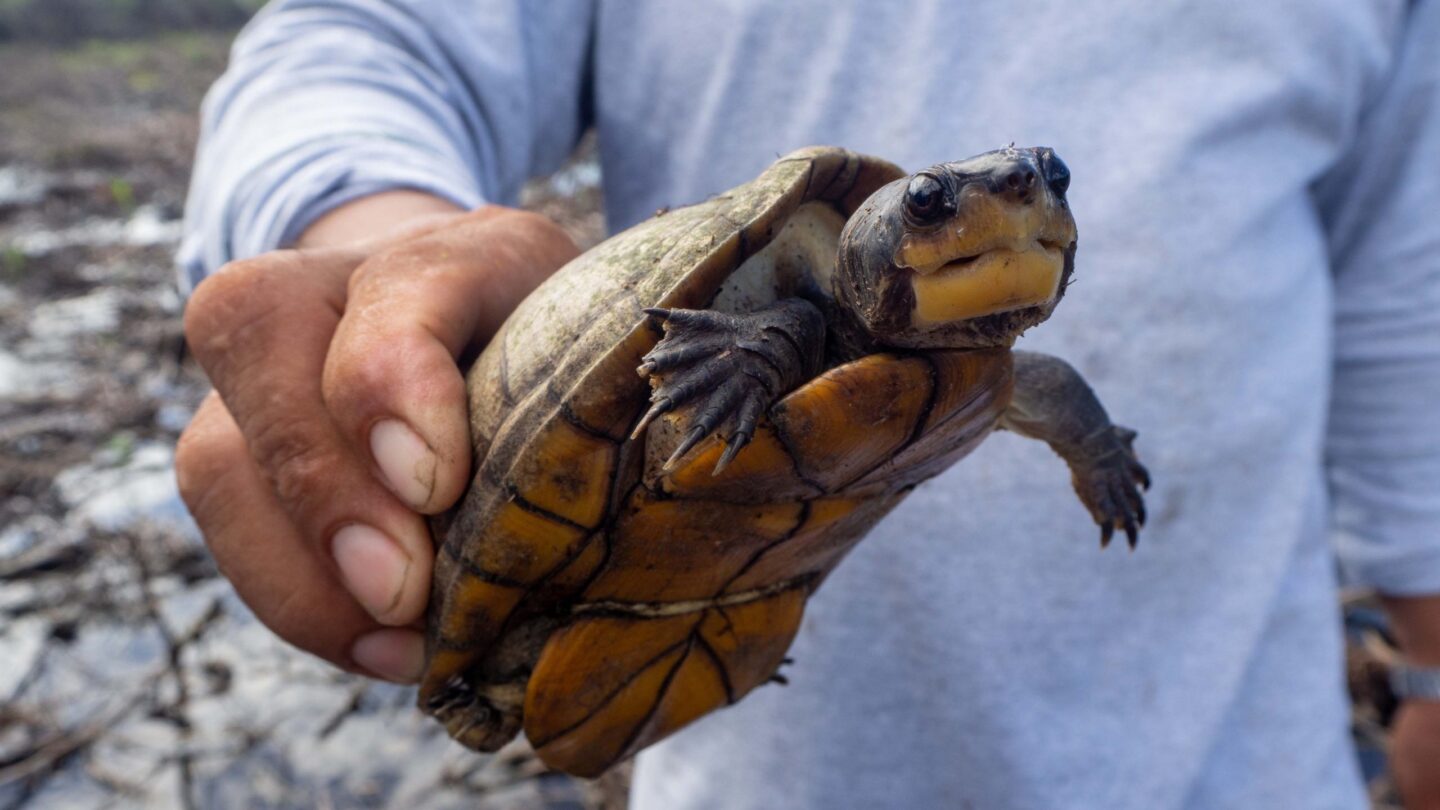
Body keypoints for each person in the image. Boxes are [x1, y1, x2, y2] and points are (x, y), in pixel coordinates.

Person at [175, 2, 1440, 808]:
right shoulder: (787, 305)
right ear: (882, 241)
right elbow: (367, 38)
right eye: (942, 206)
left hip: (1247, 770)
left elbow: (1411, 345)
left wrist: (1426, 677)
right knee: (498, 673)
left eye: (1040, 184)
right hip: (736, 754)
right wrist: (374, 245)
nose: (1012, 201)